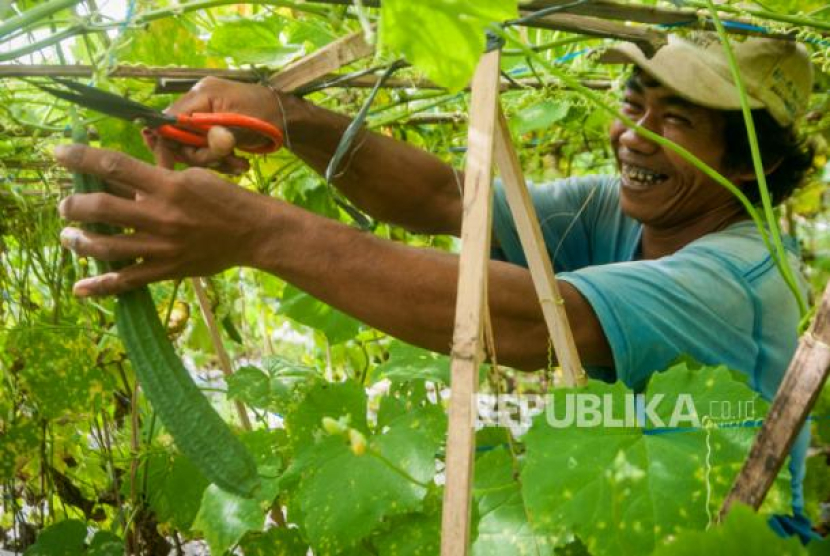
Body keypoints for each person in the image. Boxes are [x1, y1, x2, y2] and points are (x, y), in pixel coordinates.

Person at [53, 32, 817, 539]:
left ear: (751, 164)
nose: (630, 134)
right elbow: (447, 199)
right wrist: (290, 118)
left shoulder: (738, 276)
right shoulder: (623, 210)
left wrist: (262, 232)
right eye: (632, 104)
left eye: (674, 120)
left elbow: (523, 324)